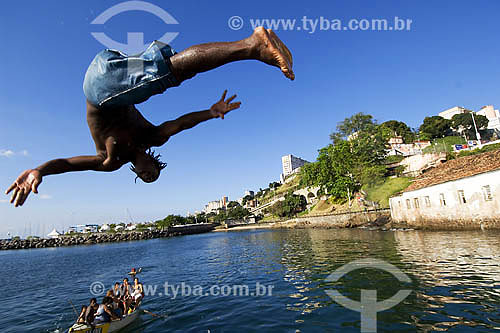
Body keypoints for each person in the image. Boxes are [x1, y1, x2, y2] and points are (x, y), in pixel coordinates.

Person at [5, 27, 294, 207]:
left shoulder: (110, 161)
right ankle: (253, 45)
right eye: (153, 174)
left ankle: (253, 45)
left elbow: (68, 164)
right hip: (110, 73)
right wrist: (210, 112)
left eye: (145, 177)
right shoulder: (153, 137)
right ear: (155, 161)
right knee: (171, 70)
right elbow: (180, 124)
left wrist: (40, 170)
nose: (147, 173)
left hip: (100, 89)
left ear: (137, 171)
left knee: (171, 72)